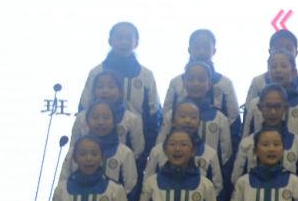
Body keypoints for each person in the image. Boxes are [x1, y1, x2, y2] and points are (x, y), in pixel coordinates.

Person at [78, 21, 162, 149]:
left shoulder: (146, 75)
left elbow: (153, 114)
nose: (124, 42)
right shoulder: (97, 72)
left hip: (135, 143)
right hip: (96, 144)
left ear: (136, 43)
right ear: (110, 41)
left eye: (128, 38)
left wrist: (149, 147)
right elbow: (84, 107)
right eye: (119, 38)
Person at [243, 50, 298, 181]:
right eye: (273, 67)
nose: (278, 70)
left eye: (284, 66)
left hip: (293, 174)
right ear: (268, 72)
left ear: (294, 72)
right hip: (257, 175)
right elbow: (246, 138)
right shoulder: (255, 104)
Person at [162, 29, 241, 143]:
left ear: (214, 51)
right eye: (197, 47)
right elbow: (167, 116)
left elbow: (233, 121)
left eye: (206, 47)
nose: (201, 51)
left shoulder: (225, 83)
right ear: (189, 50)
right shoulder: (176, 82)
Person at [232, 85, 298, 187]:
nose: (273, 112)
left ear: (285, 108)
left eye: (277, 106)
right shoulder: (247, 144)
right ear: (260, 108)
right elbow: (237, 180)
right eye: (268, 106)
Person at [70, 70, 146, 165]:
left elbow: (138, 150)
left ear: (120, 92)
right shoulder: (82, 117)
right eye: (100, 87)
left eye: (111, 87)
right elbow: (74, 147)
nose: (105, 91)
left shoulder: (131, 119)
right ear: (93, 92)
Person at [245, 29, 298, 106]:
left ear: (296, 53)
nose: (283, 52)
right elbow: (249, 110)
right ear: (270, 52)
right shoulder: (258, 82)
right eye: (278, 48)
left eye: (288, 49)